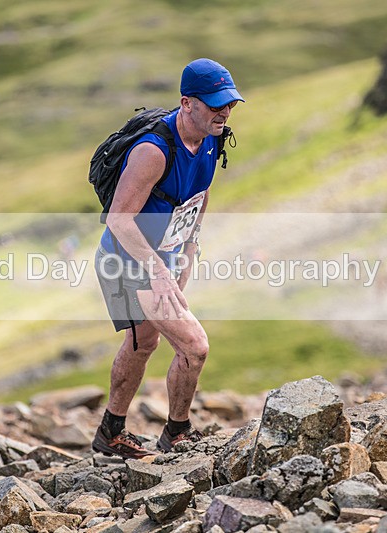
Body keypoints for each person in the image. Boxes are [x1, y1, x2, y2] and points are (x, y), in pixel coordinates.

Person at [92, 58, 244, 458]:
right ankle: (175, 432)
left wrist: (190, 247)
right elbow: (119, 219)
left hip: (166, 255)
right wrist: (158, 271)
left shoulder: (212, 137)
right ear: (187, 103)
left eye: (229, 103)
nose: (224, 112)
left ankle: (110, 432)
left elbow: (200, 190)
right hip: (127, 259)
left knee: (143, 344)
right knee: (194, 346)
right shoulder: (153, 151)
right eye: (215, 104)